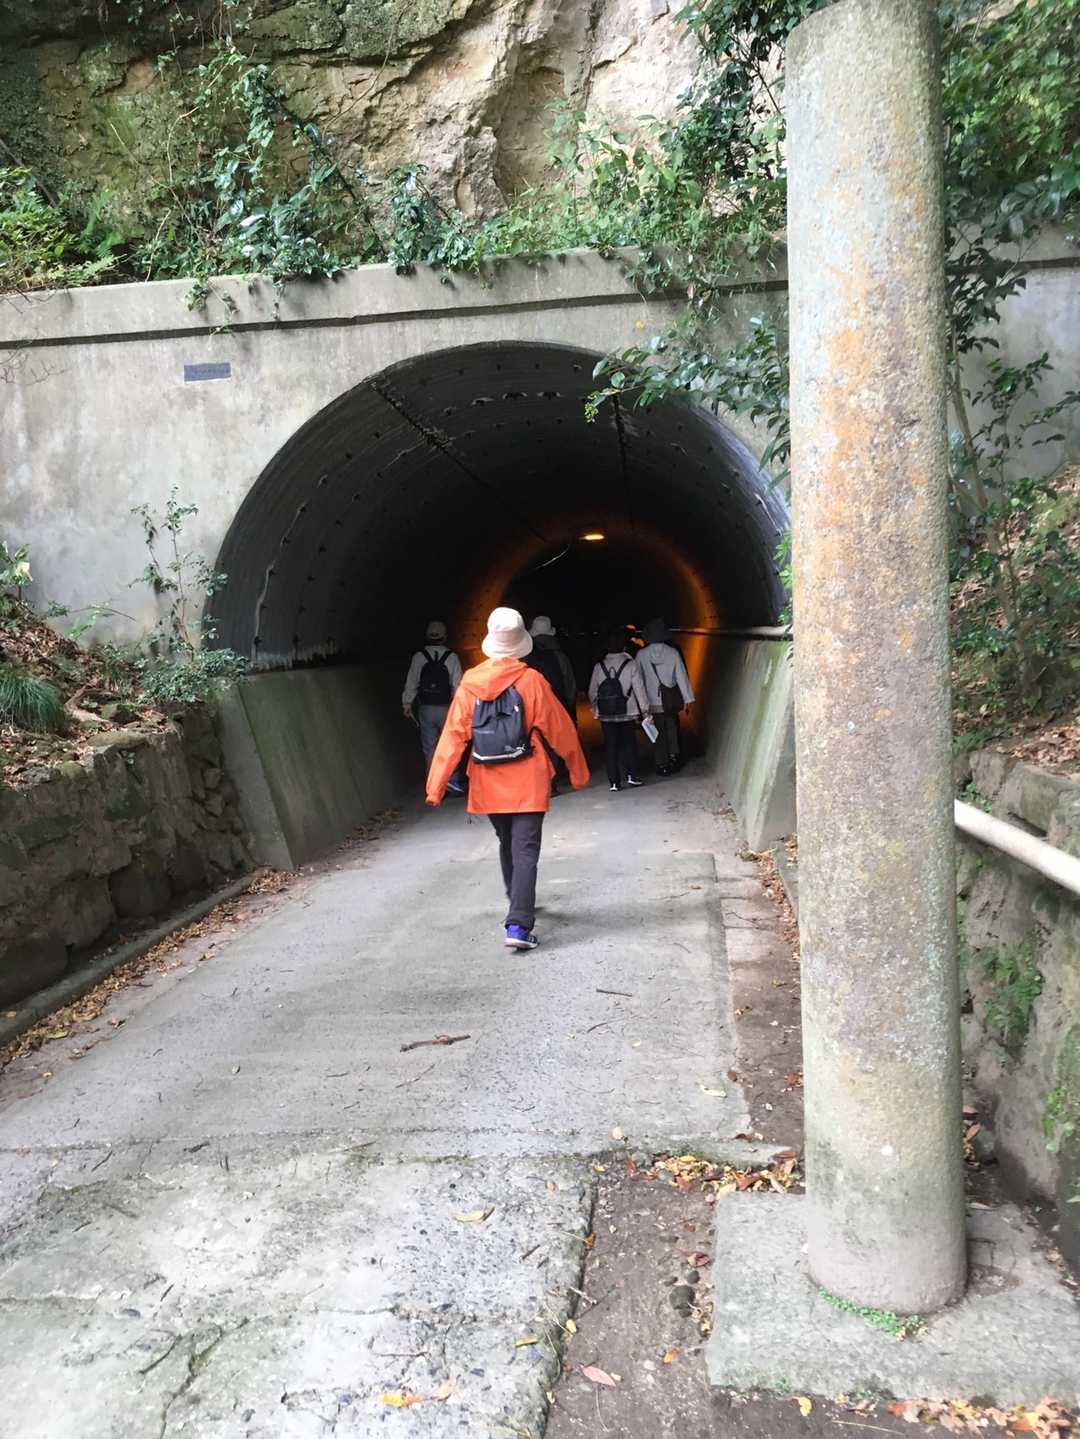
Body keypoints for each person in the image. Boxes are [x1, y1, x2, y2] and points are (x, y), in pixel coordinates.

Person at [427, 607, 589, 951]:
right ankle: (518, 923)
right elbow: (561, 730)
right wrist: (578, 771)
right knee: (525, 848)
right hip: (528, 779)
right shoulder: (532, 681)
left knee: (507, 841)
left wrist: (435, 786)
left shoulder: (470, 683)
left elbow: (453, 737)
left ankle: (517, 898)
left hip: (487, 781)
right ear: (520, 644)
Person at [403, 620, 465, 795]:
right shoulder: (452, 657)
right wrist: (460, 707)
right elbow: (458, 685)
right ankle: (453, 782)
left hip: (426, 708)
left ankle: (435, 787)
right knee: (450, 744)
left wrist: (407, 703)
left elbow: (412, 682)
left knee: (429, 748)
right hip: (446, 708)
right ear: (445, 636)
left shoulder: (418, 657)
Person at [588, 629, 649, 793]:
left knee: (611, 746)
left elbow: (592, 691)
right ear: (623, 646)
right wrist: (645, 711)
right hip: (627, 711)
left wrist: (596, 708)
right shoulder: (631, 664)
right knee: (629, 744)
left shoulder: (599, 666)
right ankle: (632, 776)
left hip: (606, 714)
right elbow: (639, 689)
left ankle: (614, 782)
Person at [527, 615, 579, 795]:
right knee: (556, 741)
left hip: (534, 706)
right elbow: (570, 682)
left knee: (538, 743)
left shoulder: (527, 656)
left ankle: (546, 781)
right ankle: (560, 773)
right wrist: (570, 706)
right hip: (558, 703)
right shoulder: (560, 656)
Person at [638, 617, 695, 775]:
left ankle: (661, 763)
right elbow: (681, 676)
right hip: (670, 700)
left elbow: (638, 680)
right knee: (671, 728)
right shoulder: (673, 653)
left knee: (658, 732)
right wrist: (688, 699)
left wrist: (640, 703)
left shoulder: (641, 655)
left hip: (652, 700)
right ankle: (674, 757)